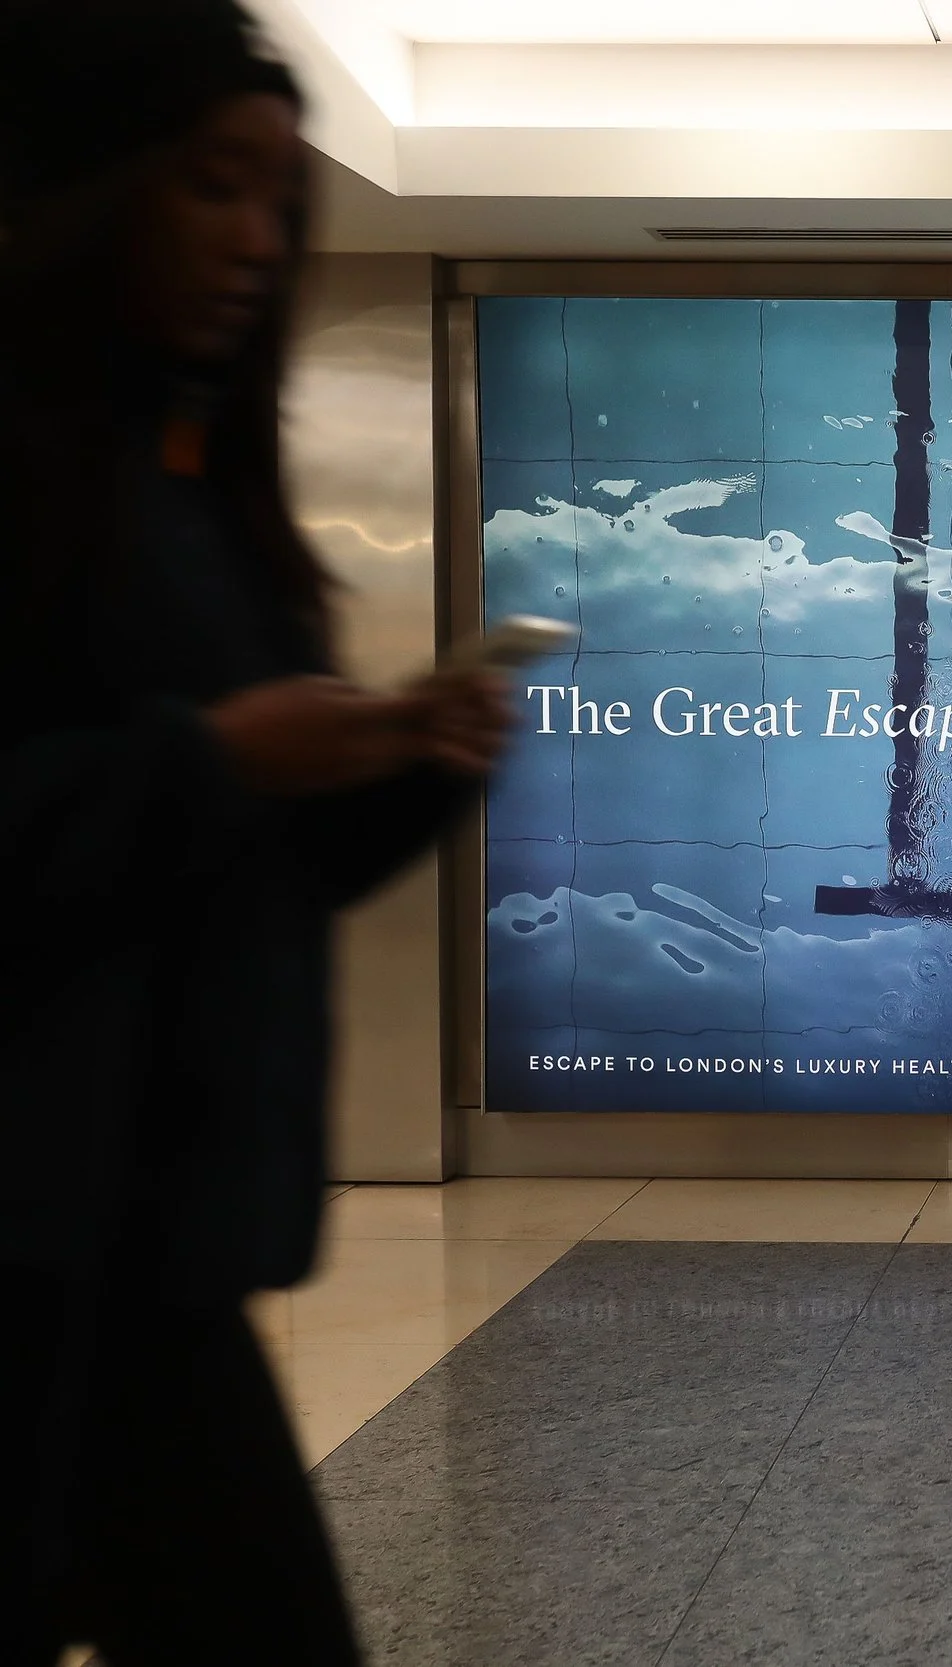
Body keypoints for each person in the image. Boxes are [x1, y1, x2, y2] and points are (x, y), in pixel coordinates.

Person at [0, 4, 513, 1662]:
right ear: (89, 185)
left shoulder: (181, 490)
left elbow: (237, 870)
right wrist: (212, 760)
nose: (259, 240)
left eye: (283, 202)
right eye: (216, 187)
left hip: (137, 1261)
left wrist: (406, 764)